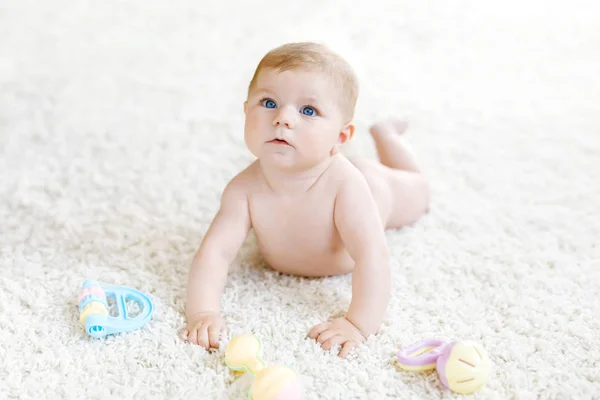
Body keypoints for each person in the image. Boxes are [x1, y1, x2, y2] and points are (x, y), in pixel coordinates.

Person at [181, 42, 430, 358]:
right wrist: (203, 312)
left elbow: (372, 256)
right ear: (246, 112)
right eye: (268, 102)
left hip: (377, 189)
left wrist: (358, 323)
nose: (283, 118)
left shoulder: (347, 186)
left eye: (308, 110)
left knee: (418, 191)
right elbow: (214, 253)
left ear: (340, 137)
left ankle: (388, 137)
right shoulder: (243, 189)